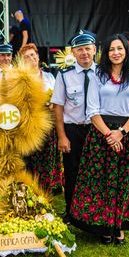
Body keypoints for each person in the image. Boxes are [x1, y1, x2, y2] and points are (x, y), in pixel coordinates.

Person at [70, 34, 129, 245]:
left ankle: (119, 225)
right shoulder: (98, 75)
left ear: (126, 51)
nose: (116, 53)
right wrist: (109, 135)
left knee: (123, 181)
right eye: (112, 49)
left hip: (127, 133)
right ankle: (103, 226)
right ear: (106, 53)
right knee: (101, 181)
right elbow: (92, 110)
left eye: (119, 48)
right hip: (101, 133)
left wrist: (121, 132)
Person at [50, 29, 98, 222]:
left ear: (94, 50)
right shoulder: (64, 75)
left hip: (97, 129)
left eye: (87, 49)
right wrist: (62, 136)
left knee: (96, 171)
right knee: (72, 172)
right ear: (73, 53)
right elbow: (58, 107)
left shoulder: (104, 73)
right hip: (73, 129)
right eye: (80, 50)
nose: (84, 53)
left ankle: (94, 211)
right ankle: (71, 212)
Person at [20, 43, 64, 195]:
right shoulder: (20, 80)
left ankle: (46, 190)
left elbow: (57, 97)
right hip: (30, 126)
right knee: (30, 158)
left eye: (33, 55)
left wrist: (52, 103)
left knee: (47, 158)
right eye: (27, 56)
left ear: (38, 57)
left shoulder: (49, 76)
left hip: (49, 125)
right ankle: (30, 190)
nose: (31, 58)